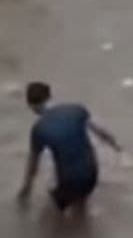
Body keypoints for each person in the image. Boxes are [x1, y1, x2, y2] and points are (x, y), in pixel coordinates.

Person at [17, 81, 122, 215]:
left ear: (31, 106)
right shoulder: (77, 110)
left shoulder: (39, 129)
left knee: (51, 219)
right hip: (91, 175)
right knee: (80, 212)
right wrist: (117, 148)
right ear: (50, 96)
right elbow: (103, 133)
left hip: (68, 182)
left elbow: (33, 166)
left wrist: (26, 189)